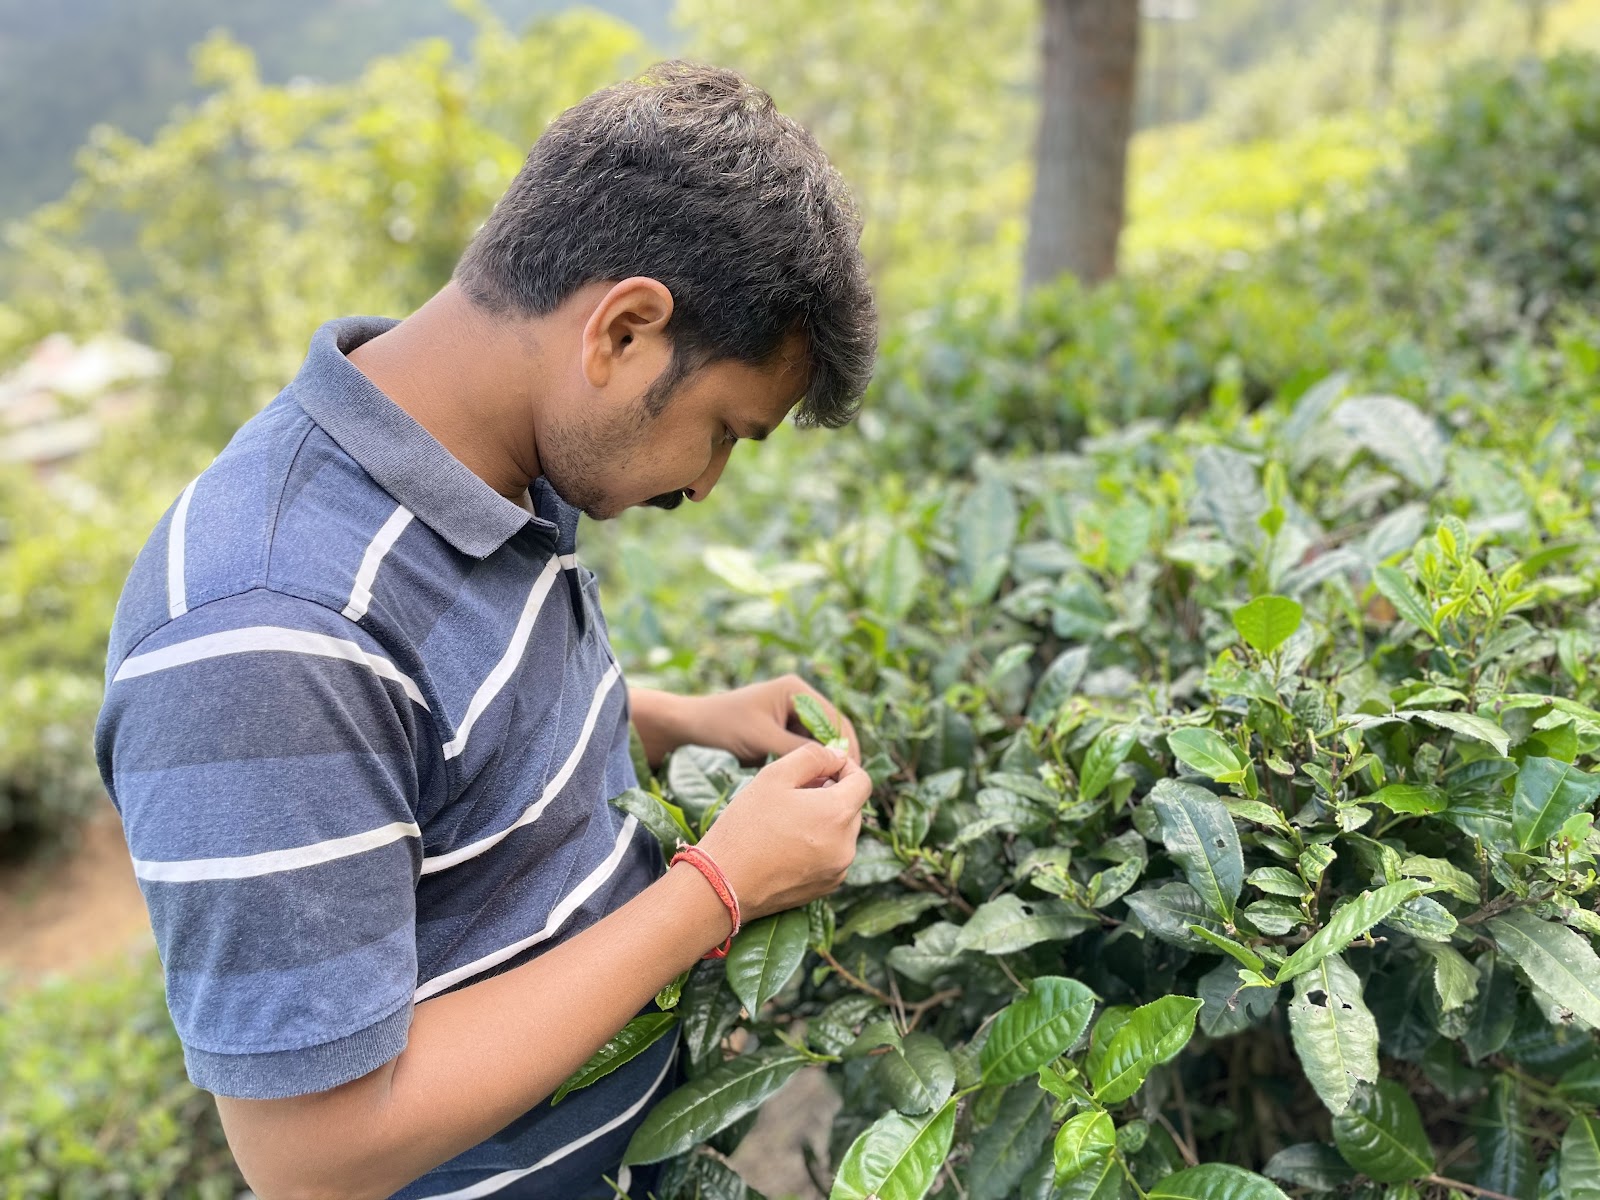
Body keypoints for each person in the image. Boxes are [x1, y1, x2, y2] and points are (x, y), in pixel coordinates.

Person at [94, 60, 876, 1200]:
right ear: (624, 331)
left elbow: (443, 757)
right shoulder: (262, 633)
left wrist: (674, 721)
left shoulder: (507, 461)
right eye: (723, 431)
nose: (706, 483)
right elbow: (316, 1154)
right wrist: (717, 890)